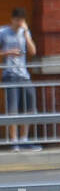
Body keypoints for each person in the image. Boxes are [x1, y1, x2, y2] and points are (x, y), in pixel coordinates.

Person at [0, 8, 40, 150]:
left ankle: (24, 138)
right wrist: (7, 52)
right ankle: (14, 141)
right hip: (10, 74)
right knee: (13, 109)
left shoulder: (24, 33)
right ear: (12, 19)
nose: (19, 23)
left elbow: (33, 51)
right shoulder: (3, 32)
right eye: (17, 20)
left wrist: (26, 34)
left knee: (30, 106)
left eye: (22, 20)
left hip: (24, 75)